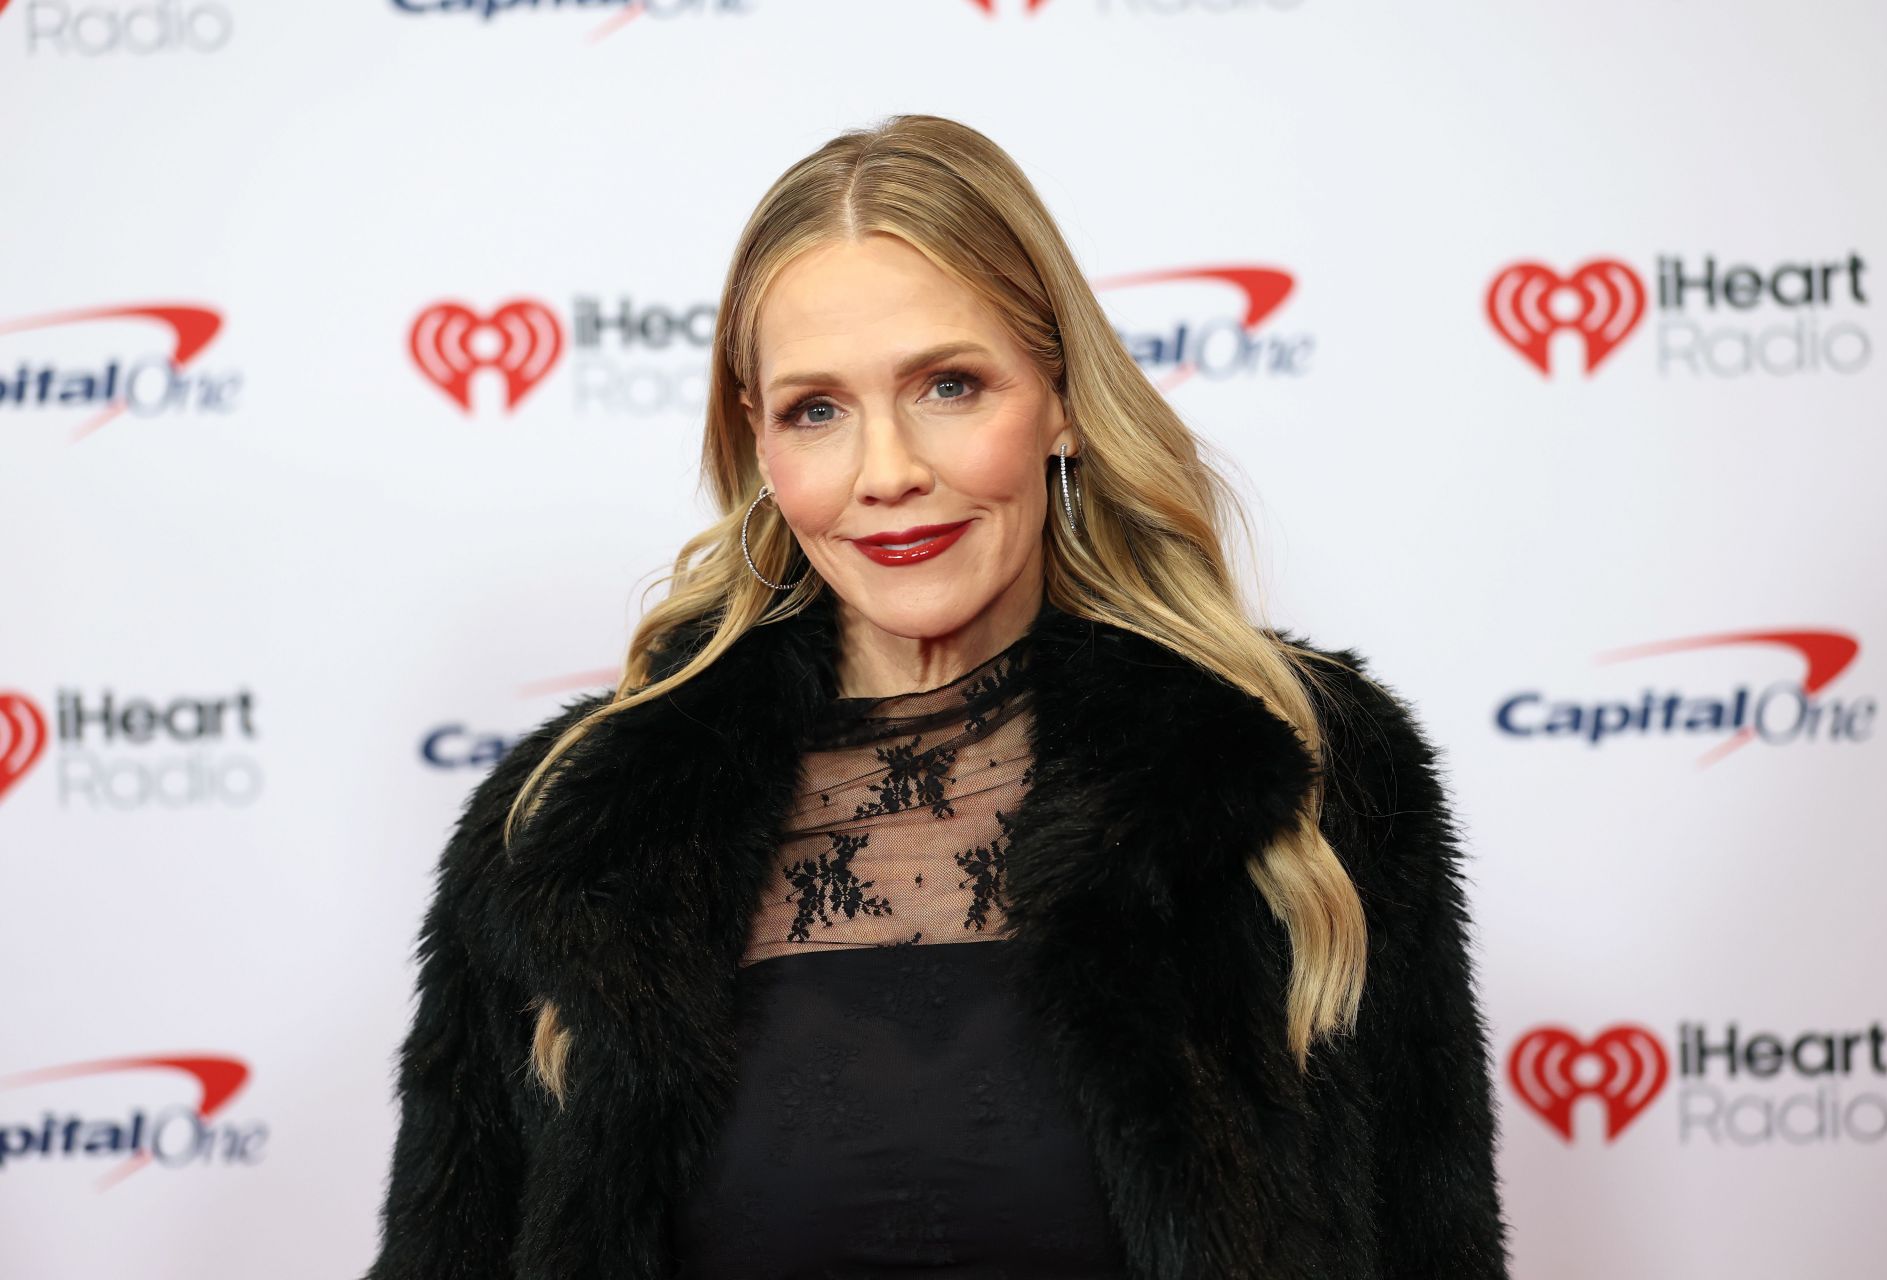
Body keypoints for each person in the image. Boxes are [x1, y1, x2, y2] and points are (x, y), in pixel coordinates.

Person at [361, 113, 1512, 1280]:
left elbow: (1434, 1238)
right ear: (760, 442)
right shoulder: (563, 828)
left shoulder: (1313, 775)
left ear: (1060, 397)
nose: (888, 469)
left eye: (950, 385)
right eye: (819, 408)